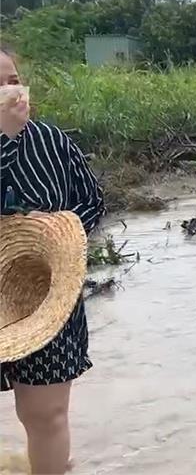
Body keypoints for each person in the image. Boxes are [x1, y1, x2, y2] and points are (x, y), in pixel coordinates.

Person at [1, 44, 105, 474]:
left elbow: (93, 200)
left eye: (12, 80)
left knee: (46, 415)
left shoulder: (51, 141)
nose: (10, 90)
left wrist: (58, 230)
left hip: (50, 296)